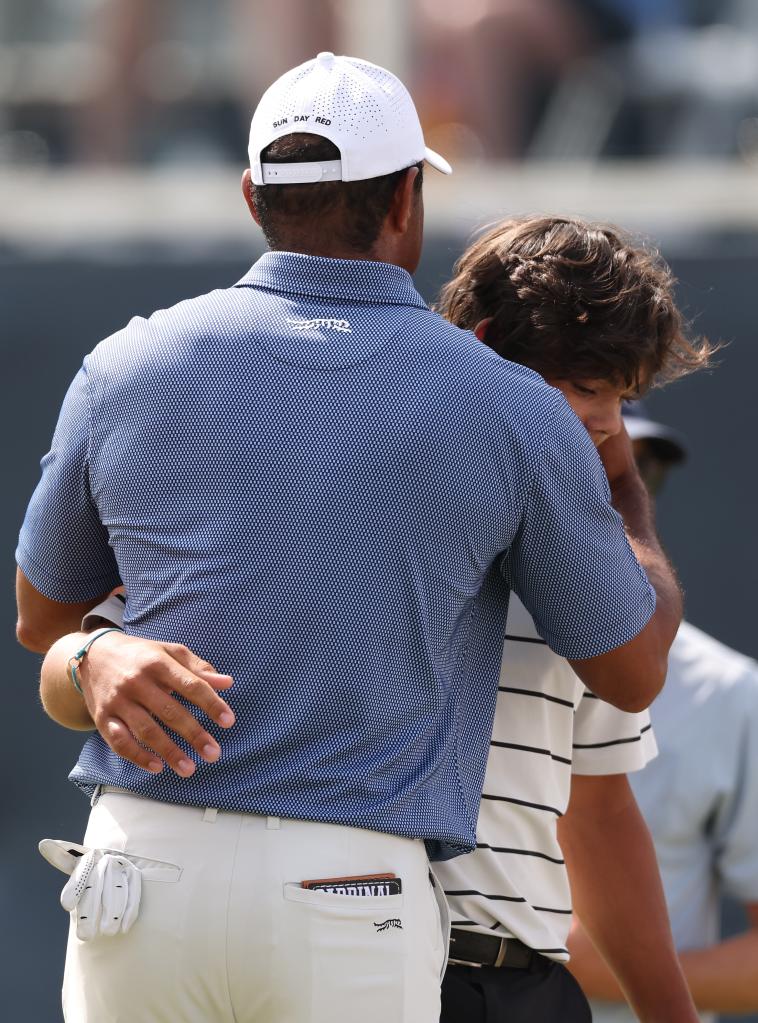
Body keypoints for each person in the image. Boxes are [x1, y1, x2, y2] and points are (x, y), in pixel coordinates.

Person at [17, 54, 682, 1023]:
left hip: (140, 871)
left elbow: (43, 620)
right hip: (352, 889)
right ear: (407, 200)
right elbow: (629, 673)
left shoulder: (125, 364)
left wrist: (95, 647)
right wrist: (625, 494)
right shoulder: (509, 410)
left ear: (252, 196)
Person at [430, 215, 714, 1023]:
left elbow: (598, 809)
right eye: (589, 387)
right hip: (363, 960)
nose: (607, 424)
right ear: (488, 347)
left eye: (622, 397)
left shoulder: (583, 543)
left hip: (521, 986)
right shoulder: (376, 480)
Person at [567, 406, 758, 1023]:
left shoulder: (728, 691)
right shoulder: (436, 641)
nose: (606, 485)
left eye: (631, 469)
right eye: (576, 454)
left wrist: (609, 970)